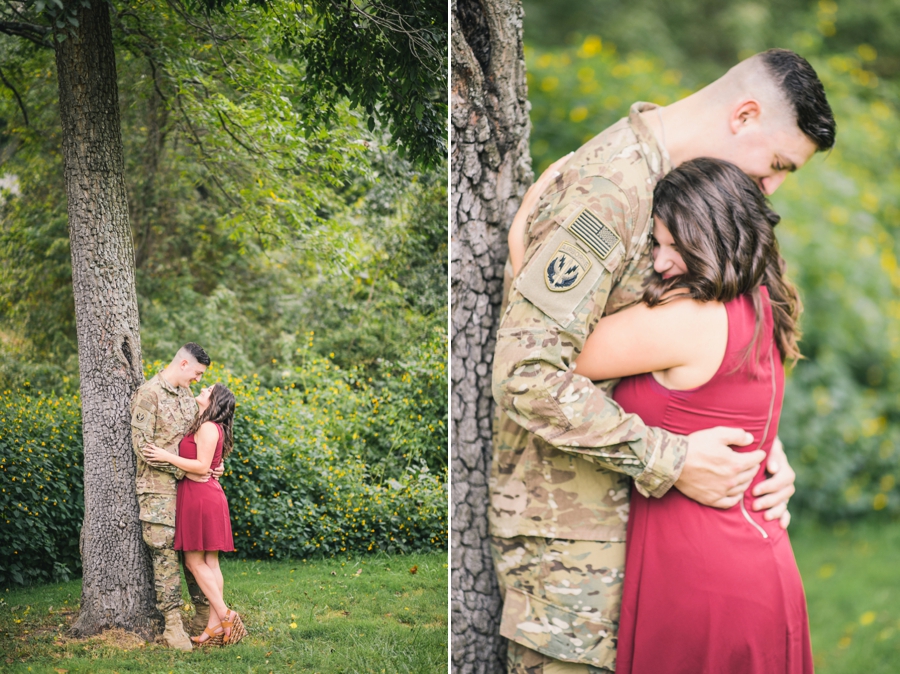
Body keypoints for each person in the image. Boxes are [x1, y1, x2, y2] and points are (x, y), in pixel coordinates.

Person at [490, 48, 835, 673]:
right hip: (580, 559)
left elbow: (711, 355)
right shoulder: (611, 190)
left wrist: (758, 447)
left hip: (659, 551)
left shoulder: (690, 197)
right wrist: (673, 458)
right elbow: (525, 370)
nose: (774, 185)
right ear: (745, 114)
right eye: (779, 163)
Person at [571, 158, 810, 673]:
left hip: (704, 585)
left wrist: (526, 241)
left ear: (718, 237)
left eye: (675, 247)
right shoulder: (762, 303)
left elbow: (559, 344)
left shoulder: (689, 319)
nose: (659, 263)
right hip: (752, 565)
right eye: (656, 244)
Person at [143, 383, 246, 646]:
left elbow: (201, 467)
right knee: (210, 563)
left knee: (194, 562)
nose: (203, 388)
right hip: (201, 494)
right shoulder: (205, 423)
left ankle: (225, 614)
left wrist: (166, 456)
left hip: (201, 498)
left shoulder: (209, 427)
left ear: (215, 400)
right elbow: (207, 465)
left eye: (208, 389)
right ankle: (214, 626)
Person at [131, 342, 216, 651]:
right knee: (165, 554)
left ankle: (203, 615)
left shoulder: (185, 397)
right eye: (197, 372)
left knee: (194, 549)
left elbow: (196, 444)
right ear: (182, 364)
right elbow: (143, 448)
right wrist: (189, 471)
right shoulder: (149, 394)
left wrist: (209, 467)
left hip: (189, 491)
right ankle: (173, 625)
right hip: (158, 491)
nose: (198, 379)